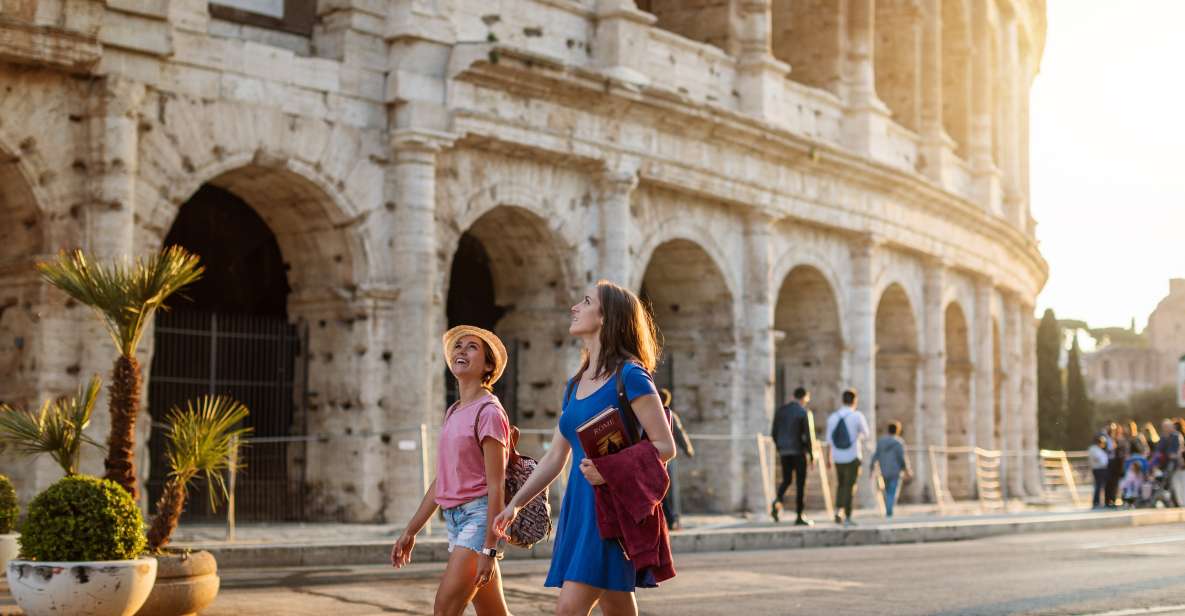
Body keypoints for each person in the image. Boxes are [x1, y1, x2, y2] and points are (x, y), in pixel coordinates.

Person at [492, 281, 678, 616]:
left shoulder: (632, 375)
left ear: (607, 318)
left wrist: (609, 469)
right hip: (578, 511)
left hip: (608, 510)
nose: (575, 307)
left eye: (586, 301)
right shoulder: (574, 384)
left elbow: (665, 446)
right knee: (616, 605)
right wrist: (516, 504)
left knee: (569, 609)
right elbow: (555, 458)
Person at [391, 326, 512, 616]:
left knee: (445, 608)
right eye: (458, 346)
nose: (461, 350)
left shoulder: (490, 412)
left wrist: (489, 549)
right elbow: (442, 482)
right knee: (493, 613)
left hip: (480, 520)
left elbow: (497, 486)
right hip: (456, 520)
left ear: (487, 365)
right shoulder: (455, 410)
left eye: (472, 347)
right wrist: (411, 531)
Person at [770, 386, 816, 526]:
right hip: (798, 451)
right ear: (804, 398)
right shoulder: (803, 412)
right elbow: (809, 436)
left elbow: (774, 432)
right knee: (800, 483)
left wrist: (780, 447)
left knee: (787, 480)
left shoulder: (781, 411)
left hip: (784, 451)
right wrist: (812, 454)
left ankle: (777, 500)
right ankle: (799, 515)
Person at [825, 389, 870, 526]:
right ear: (855, 401)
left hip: (838, 457)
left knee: (841, 484)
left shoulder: (833, 417)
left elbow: (829, 440)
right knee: (850, 486)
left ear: (842, 400)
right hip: (853, 455)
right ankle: (848, 515)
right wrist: (856, 437)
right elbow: (866, 434)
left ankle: (838, 510)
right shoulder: (857, 416)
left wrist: (828, 458)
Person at [659, 387, 694, 531]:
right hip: (666, 458)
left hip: (654, 456)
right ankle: (670, 519)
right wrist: (688, 450)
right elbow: (680, 433)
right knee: (665, 490)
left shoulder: (648, 411)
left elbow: (679, 433)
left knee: (663, 490)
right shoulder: (669, 414)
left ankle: (670, 519)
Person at [868, 421, 912, 518]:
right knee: (892, 491)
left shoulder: (881, 441)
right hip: (895, 471)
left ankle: (888, 508)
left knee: (887, 491)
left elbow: (875, 455)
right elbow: (902, 458)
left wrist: (871, 468)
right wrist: (907, 470)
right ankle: (889, 511)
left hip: (884, 470)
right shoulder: (899, 442)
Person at [1088, 435, 1109, 510]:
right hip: (1098, 469)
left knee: (1100, 486)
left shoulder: (1099, 449)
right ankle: (1096, 502)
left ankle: (1099, 502)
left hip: (1101, 469)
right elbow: (1100, 460)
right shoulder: (1094, 449)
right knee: (1098, 486)